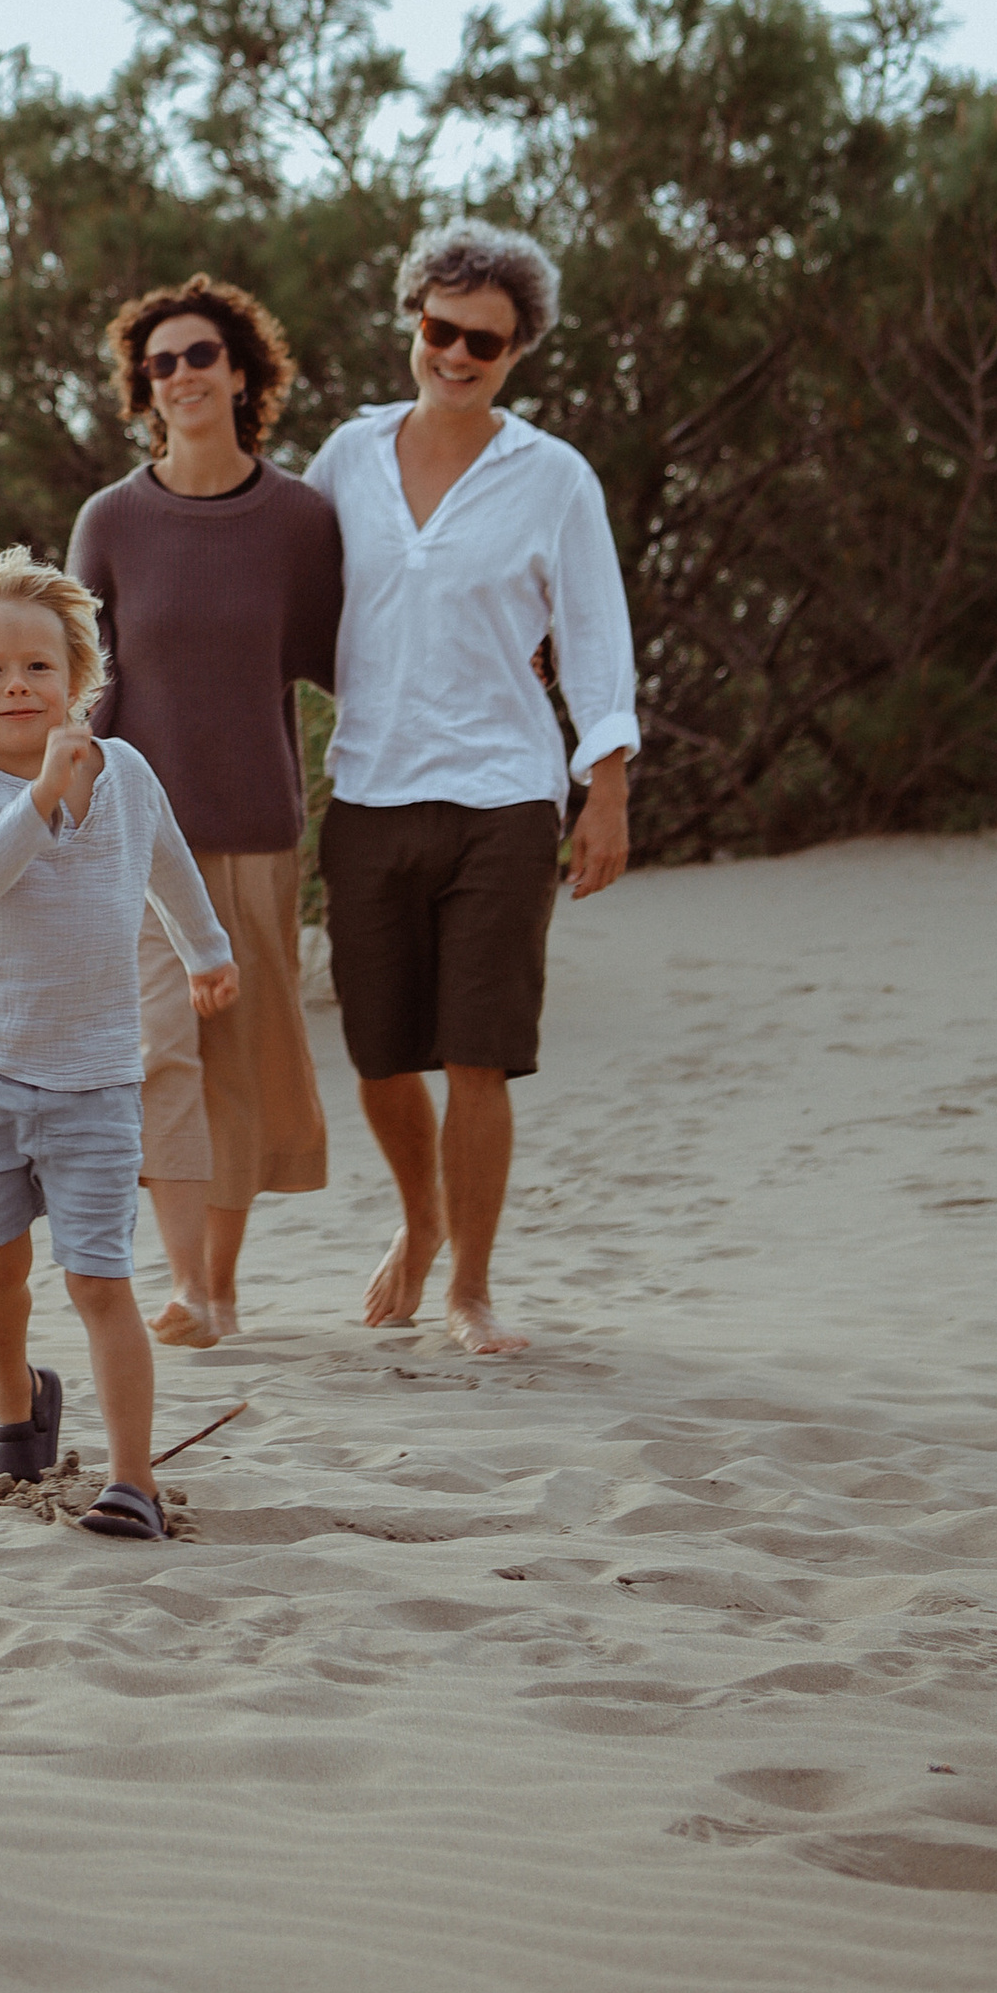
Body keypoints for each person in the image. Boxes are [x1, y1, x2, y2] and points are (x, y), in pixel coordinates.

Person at [303, 218, 637, 1359]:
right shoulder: (345, 457)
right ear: (411, 321)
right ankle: (422, 1219)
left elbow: (594, 641)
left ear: (517, 352)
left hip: (504, 794)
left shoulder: (553, 478)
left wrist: (608, 789)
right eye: (439, 330)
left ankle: (472, 1291)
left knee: (478, 1054)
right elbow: (285, 605)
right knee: (381, 1059)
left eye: (481, 343)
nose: (454, 355)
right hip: (368, 791)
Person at [0, 547, 239, 1541]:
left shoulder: (125, 771)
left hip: (97, 1080)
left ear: (78, 680)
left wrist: (206, 947)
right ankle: (19, 1406)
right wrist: (40, 792)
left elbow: (167, 862)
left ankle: (133, 1481)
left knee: (99, 1277)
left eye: (37, 667)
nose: (16, 685)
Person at [68, 277, 342, 1350]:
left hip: (256, 829)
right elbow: (88, 679)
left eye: (198, 357)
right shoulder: (112, 520)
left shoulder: (300, 519)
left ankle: (219, 1284)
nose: (179, 377)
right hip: (137, 838)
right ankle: (187, 1287)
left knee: (238, 1057)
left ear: (242, 372)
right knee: (156, 1054)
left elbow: (341, 660)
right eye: (160, 364)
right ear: (146, 390)